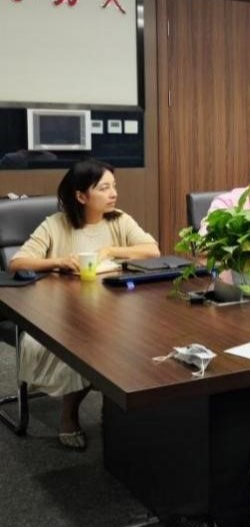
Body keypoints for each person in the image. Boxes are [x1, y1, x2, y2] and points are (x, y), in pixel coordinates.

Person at [9, 159, 160, 449]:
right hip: (59, 315)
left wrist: (110, 249)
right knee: (89, 346)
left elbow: (152, 250)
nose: (113, 193)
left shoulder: (119, 220)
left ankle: (117, 410)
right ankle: (69, 414)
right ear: (81, 196)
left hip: (111, 310)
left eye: (114, 186)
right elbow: (18, 263)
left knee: (138, 342)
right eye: (104, 188)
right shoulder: (56, 224)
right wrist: (59, 261)